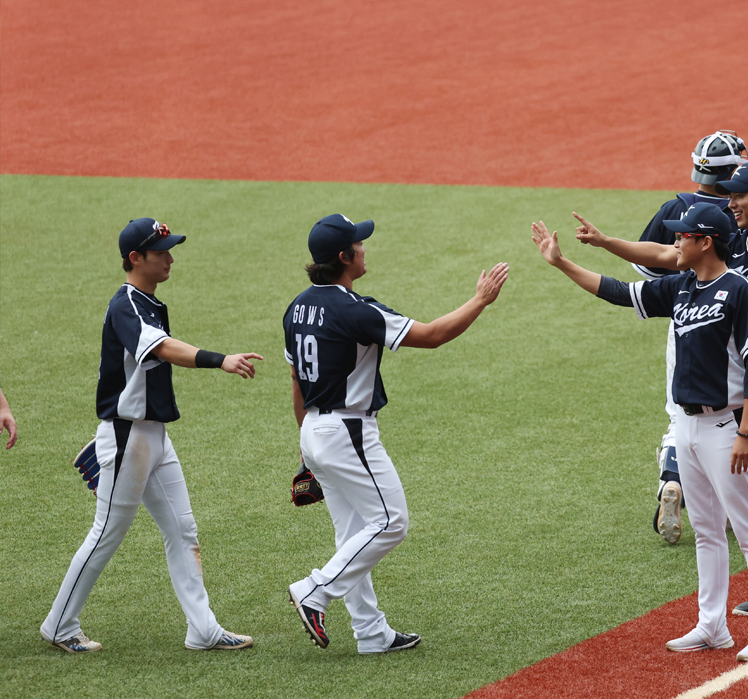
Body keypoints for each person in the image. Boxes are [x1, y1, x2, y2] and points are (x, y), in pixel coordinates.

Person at [573, 163, 748, 622]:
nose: (730, 202)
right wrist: (604, 243)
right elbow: (663, 254)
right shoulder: (732, 243)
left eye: (737, 195)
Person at [532, 204, 748, 662]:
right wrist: (561, 262)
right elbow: (617, 292)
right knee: (707, 530)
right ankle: (712, 625)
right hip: (687, 427)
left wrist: (747, 432)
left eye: (681, 236)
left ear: (705, 241)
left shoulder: (738, 289)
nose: (674, 243)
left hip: (728, 425)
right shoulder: (682, 287)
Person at [285, 214, 508, 654]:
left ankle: (371, 633)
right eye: (359, 245)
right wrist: (480, 300)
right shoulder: (355, 311)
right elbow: (432, 336)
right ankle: (315, 590)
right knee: (391, 522)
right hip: (347, 431)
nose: (365, 249)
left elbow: (295, 379)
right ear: (345, 257)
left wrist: (307, 447)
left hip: (313, 427)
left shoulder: (296, 307)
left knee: (352, 536)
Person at [41, 218, 262, 654]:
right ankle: (60, 625)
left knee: (182, 530)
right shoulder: (127, 304)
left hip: (153, 437)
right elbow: (160, 348)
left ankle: (203, 629)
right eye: (161, 252)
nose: (170, 258)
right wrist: (220, 360)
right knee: (106, 532)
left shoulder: (148, 302)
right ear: (135, 258)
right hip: (128, 438)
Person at [630, 132, 748, 545]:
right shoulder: (745, 206)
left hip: (685, 316)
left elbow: (649, 272)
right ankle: (732, 504)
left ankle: (673, 479)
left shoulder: (678, 207)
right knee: (736, 413)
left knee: (681, 414)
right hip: (741, 318)